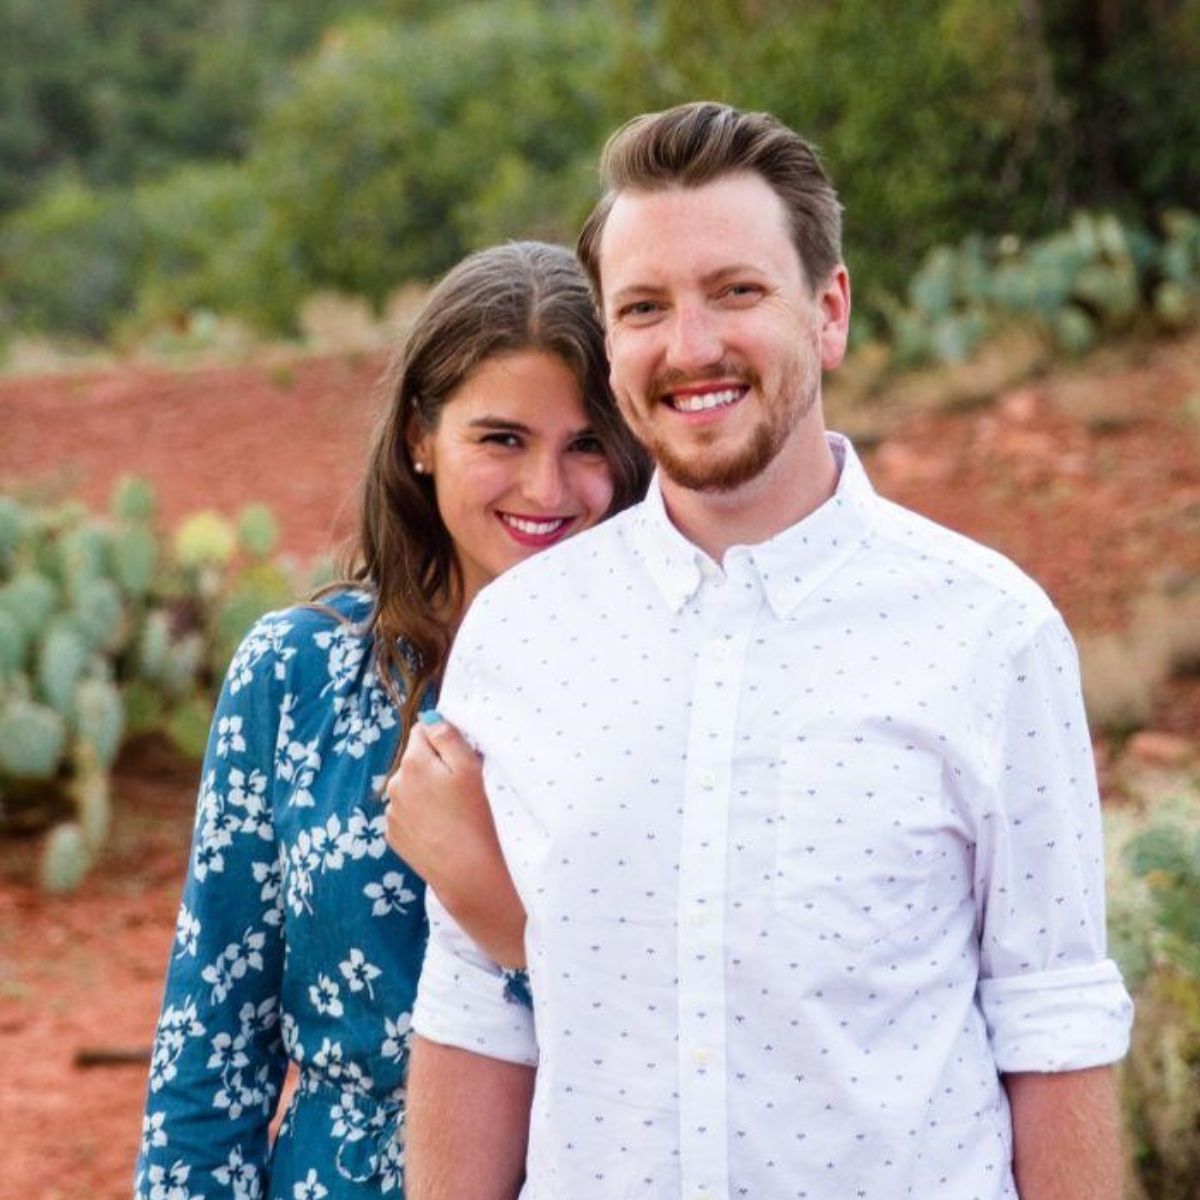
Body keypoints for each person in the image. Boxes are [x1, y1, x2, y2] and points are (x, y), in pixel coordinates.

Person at [401, 103, 1135, 1200]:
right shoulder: (520, 639)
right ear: (609, 345)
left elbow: (1055, 1021)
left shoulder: (991, 632)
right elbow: (473, 1012)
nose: (690, 347)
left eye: (736, 292)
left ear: (827, 311)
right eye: (644, 307)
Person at [133, 240, 652, 1200]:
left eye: (588, 445)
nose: (547, 490)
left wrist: (503, 916)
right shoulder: (295, 676)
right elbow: (210, 1049)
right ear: (420, 436)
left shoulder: (673, 691)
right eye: (502, 439)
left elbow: (696, 1037)